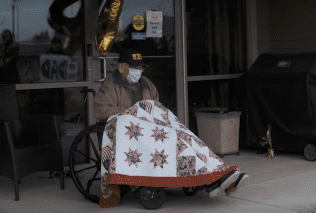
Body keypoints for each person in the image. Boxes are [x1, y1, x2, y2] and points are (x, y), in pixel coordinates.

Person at [94, 48, 248, 207]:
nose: (137, 72)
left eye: (140, 68)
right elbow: (101, 110)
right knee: (173, 145)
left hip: (153, 127)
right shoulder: (110, 85)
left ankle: (219, 172)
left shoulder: (146, 83)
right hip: (132, 133)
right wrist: (134, 112)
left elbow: (156, 105)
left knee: (185, 137)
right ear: (122, 68)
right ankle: (211, 179)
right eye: (133, 68)